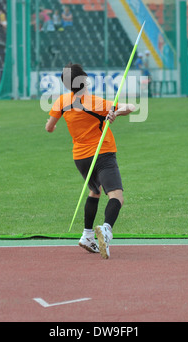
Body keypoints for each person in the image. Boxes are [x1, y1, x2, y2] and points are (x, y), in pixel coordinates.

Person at [45, 63, 135, 259]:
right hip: (102, 153)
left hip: (80, 157)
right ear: (84, 79)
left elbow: (49, 127)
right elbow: (131, 107)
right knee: (116, 196)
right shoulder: (96, 102)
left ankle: (87, 235)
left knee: (95, 191)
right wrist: (116, 112)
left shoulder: (61, 102)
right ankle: (106, 229)